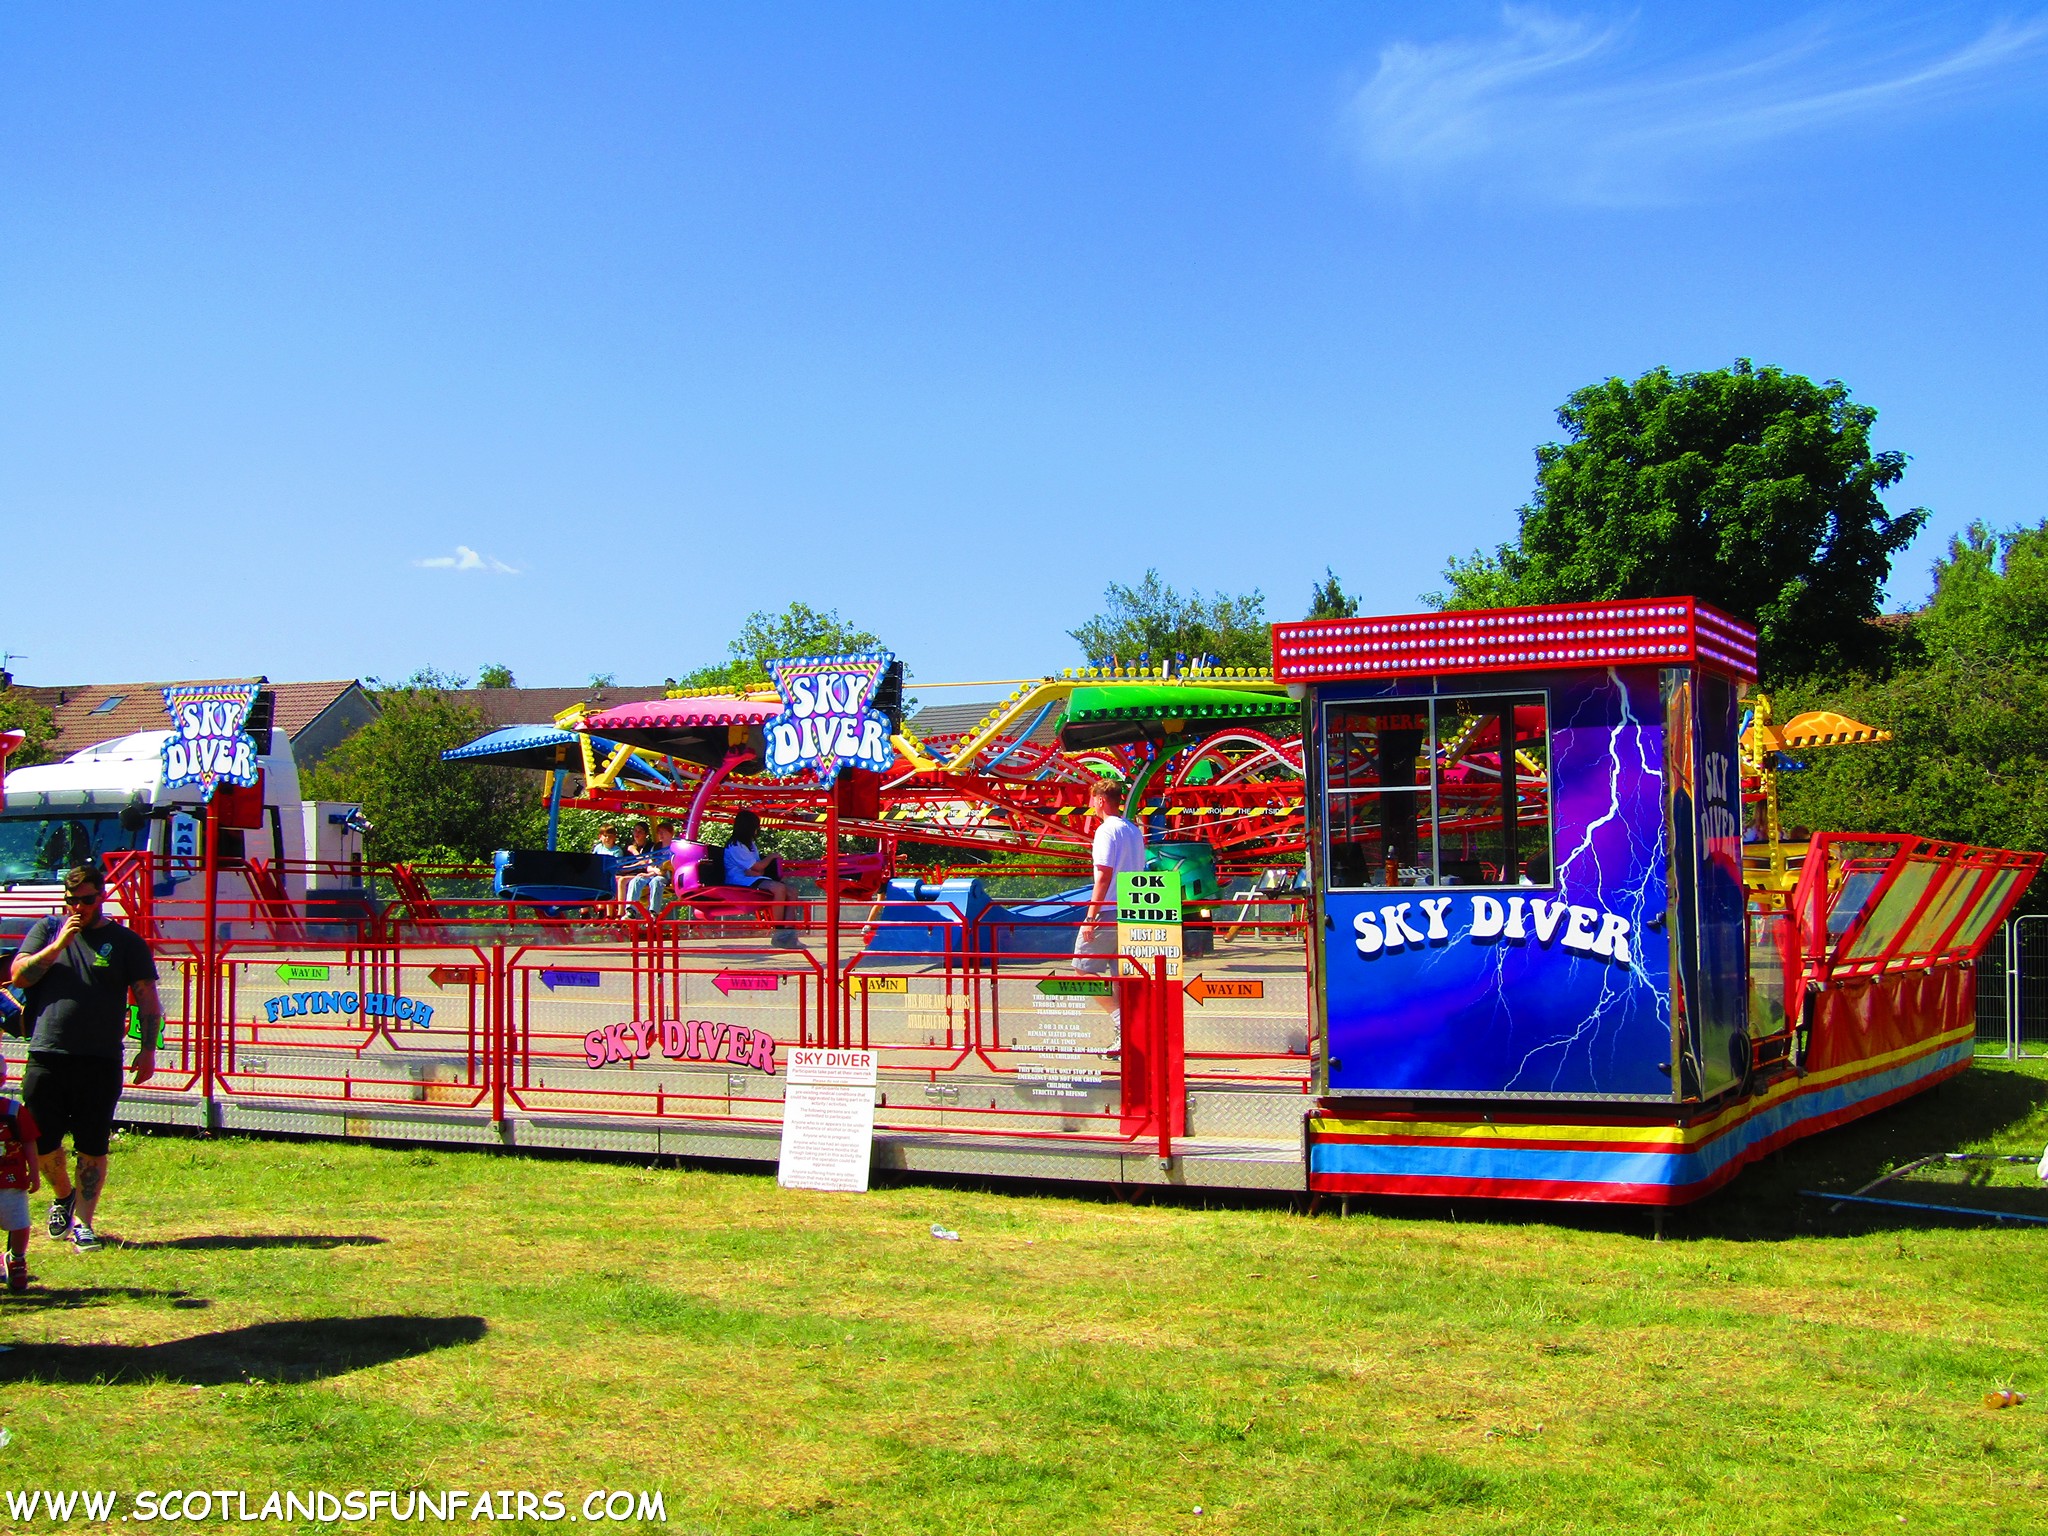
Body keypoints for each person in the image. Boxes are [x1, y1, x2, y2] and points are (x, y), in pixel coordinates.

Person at [8, 865, 161, 1252]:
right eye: (72, 900)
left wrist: (147, 1049)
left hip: (100, 1057)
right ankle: (64, 1196)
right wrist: (59, 944)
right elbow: (20, 976)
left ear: (101, 897)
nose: (79, 907)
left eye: (87, 900)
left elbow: (148, 1001)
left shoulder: (125, 942)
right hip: (47, 1051)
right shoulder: (46, 929)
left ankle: (84, 1222)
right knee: (42, 1140)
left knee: (93, 1143)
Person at [1075, 778, 1145, 978]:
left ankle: (1116, 1011)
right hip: (1131, 908)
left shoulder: (1106, 831)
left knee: (1082, 968)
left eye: (1092, 800)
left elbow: (1104, 876)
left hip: (1108, 910)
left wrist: (1090, 917)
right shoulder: (1133, 830)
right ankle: (1124, 1010)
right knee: (1121, 974)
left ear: (1100, 801)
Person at [722, 810, 797, 946]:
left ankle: (790, 932)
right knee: (779, 889)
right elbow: (758, 866)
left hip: (752, 878)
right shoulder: (736, 846)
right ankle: (778, 931)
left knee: (791, 891)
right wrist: (771, 857)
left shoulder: (749, 844)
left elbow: (757, 869)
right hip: (739, 880)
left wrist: (756, 868)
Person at [0, 1057, 40, 1291]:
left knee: (20, 1224)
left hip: (11, 1181)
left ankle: (16, 1258)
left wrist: (34, 1172)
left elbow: (29, 1142)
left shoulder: (14, 1111)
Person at [626, 821, 677, 917]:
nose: (660, 835)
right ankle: (631, 910)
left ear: (671, 833)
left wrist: (659, 871)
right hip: (654, 873)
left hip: (667, 876)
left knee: (657, 881)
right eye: (659, 832)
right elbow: (649, 865)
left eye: (663, 832)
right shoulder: (656, 847)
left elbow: (671, 866)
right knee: (637, 879)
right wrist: (653, 871)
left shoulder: (675, 848)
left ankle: (654, 912)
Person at [613, 821, 655, 909]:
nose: (637, 833)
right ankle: (612, 912)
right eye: (635, 830)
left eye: (640, 831)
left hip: (643, 875)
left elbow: (644, 864)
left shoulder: (650, 846)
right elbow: (622, 868)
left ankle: (621, 912)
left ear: (646, 833)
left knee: (622, 880)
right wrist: (636, 865)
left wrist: (634, 851)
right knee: (614, 879)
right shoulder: (627, 849)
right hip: (630, 874)